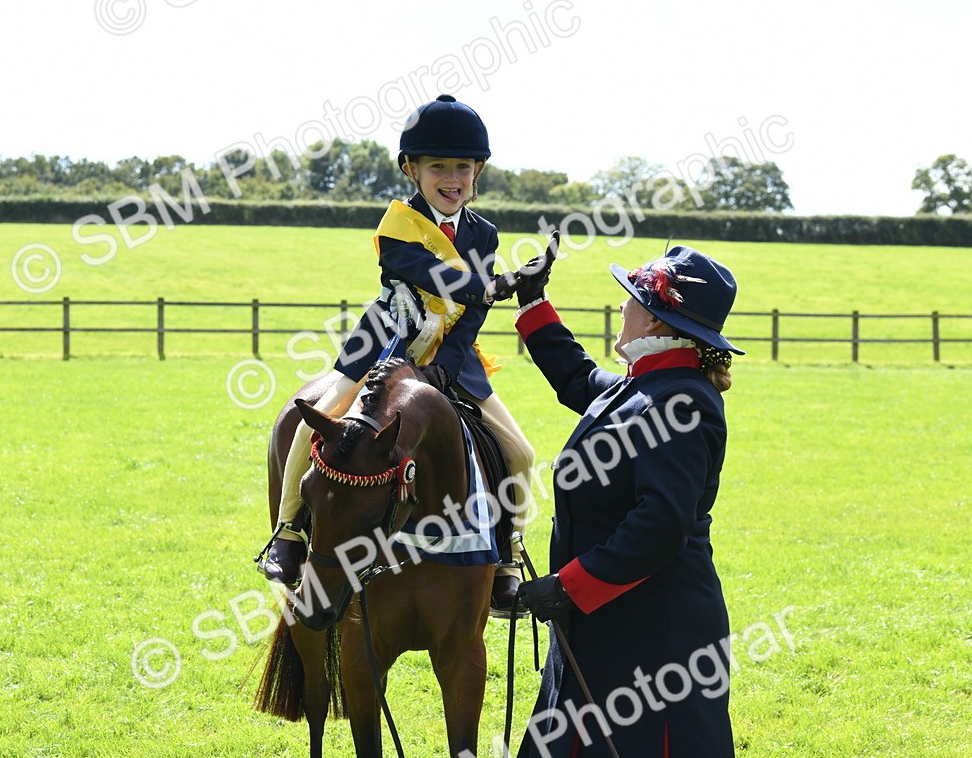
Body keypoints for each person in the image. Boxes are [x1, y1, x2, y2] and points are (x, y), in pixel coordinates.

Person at [260, 94, 536, 613]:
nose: (451, 177)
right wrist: (492, 285)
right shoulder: (398, 225)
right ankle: (289, 531)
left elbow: (472, 314)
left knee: (521, 453)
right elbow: (423, 273)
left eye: (462, 167)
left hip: (453, 355)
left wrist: (446, 366)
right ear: (411, 169)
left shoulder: (485, 234)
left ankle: (505, 560)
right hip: (384, 339)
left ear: (478, 172)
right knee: (310, 423)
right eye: (438, 167)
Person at [513, 245, 742, 756]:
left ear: (658, 324)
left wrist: (566, 587)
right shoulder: (647, 384)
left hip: (655, 642)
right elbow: (578, 378)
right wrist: (533, 304)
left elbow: (660, 524)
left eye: (633, 299)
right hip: (608, 625)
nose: (622, 306)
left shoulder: (681, 401)